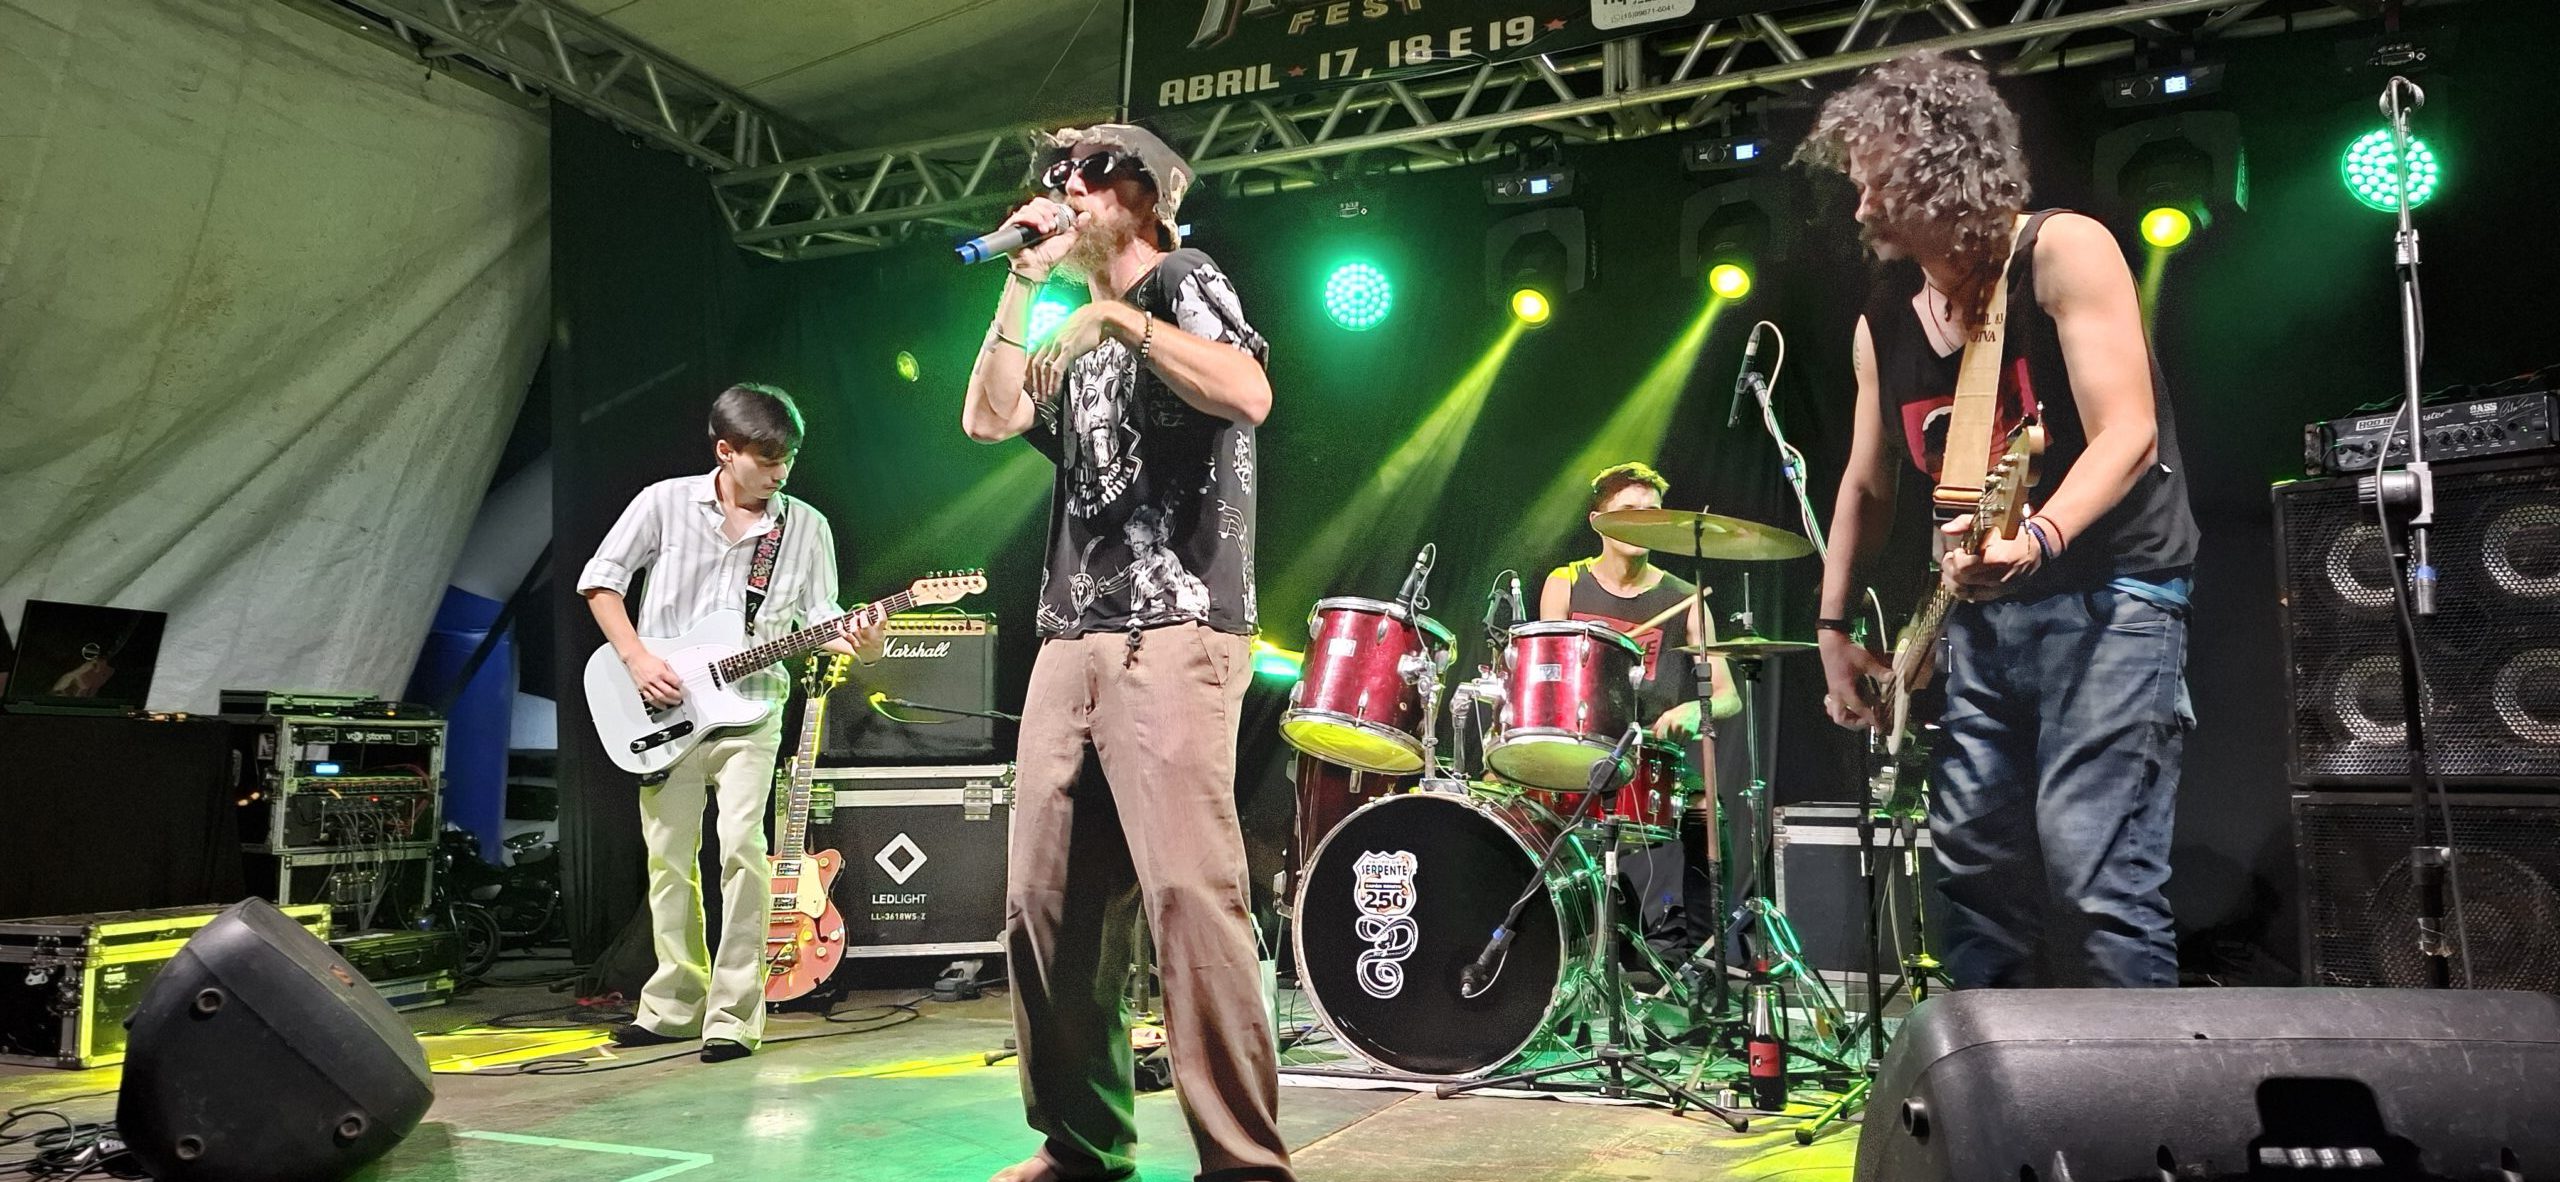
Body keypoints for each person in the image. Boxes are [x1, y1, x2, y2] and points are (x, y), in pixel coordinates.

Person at [1800, 52, 2199, 989]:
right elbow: (1867, 483)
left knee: (2097, 874)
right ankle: (2001, 1076)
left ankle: (2138, 1085)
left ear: (1944, 171)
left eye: (1879, 179)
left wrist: (2041, 536)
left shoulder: (2061, 250)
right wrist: (1832, 627)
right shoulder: (1884, 317)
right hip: (1979, 624)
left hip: (2109, 601)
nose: (1861, 203)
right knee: (1974, 873)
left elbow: (2129, 432)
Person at [960, 124, 1290, 1182]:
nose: (1067, 187)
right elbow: (988, 418)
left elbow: (1248, 393)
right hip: (1071, 635)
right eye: (1057, 175)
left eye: (1091, 173)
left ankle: (1243, 1164)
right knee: (1044, 905)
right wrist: (1023, 282)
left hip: (1175, 630)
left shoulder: (1182, 279)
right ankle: (1082, 1144)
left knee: (1188, 898)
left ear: (1147, 196)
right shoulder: (1070, 323)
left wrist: (1117, 317)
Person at [577, 383, 886, 1061]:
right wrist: (636, 659)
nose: (781, 473)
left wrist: (863, 641)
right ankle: (672, 1005)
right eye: (768, 460)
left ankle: (734, 1017)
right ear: (726, 451)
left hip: (753, 708)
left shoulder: (805, 527)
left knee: (743, 851)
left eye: (789, 459)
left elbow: (822, 619)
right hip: (666, 709)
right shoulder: (663, 503)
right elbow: (600, 581)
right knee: (667, 860)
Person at [1538, 462, 1741, 967]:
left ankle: (1704, 959)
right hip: (1575, 754)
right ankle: (1549, 951)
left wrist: (1694, 710)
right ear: (1597, 521)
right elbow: (1546, 679)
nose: (1641, 521)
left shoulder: (1685, 598)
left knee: (1707, 814)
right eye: (1628, 510)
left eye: (1651, 513)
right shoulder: (1566, 583)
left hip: (1649, 758)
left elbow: (1727, 696)